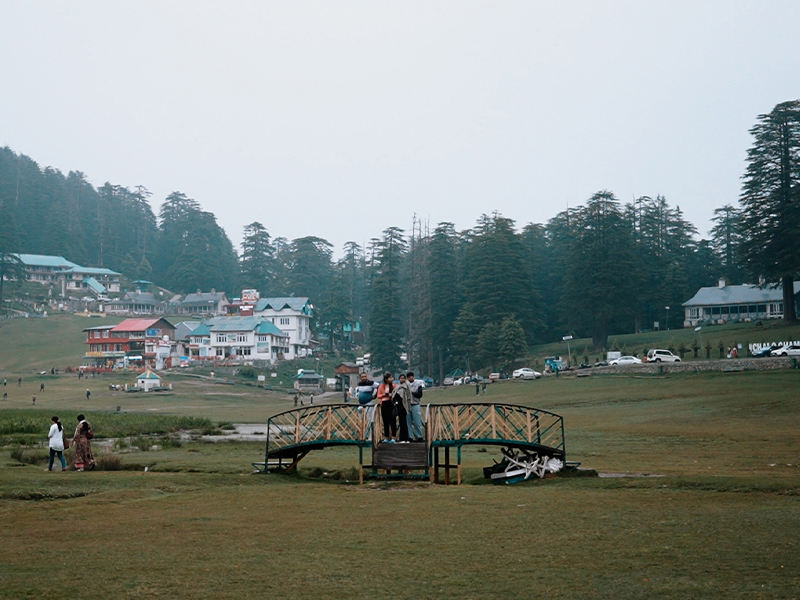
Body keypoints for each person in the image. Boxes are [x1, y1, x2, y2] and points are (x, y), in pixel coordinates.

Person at [377, 373, 397, 443]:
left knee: (393, 420)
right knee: (385, 421)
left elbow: (396, 394)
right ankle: (386, 437)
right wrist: (385, 394)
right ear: (386, 379)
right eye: (390, 378)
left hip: (391, 403)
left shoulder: (394, 386)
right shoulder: (382, 386)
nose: (391, 379)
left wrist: (390, 395)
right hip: (384, 404)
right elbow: (378, 395)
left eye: (392, 378)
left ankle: (394, 436)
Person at [392, 374, 412, 443]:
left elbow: (408, 397)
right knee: (401, 422)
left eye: (403, 378)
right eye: (401, 378)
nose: (402, 379)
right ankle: (402, 438)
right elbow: (394, 395)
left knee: (404, 422)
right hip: (399, 405)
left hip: (404, 406)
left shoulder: (406, 387)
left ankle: (405, 438)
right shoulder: (398, 387)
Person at [406, 372, 424, 442]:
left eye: (411, 377)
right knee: (408, 422)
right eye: (409, 377)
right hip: (407, 404)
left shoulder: (418, 384)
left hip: (415, 403)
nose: (410, 378)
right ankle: (410, 436)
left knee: (417, 422)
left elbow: (420, 394)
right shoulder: (406, 385)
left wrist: (413, 393)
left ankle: (420, 436)